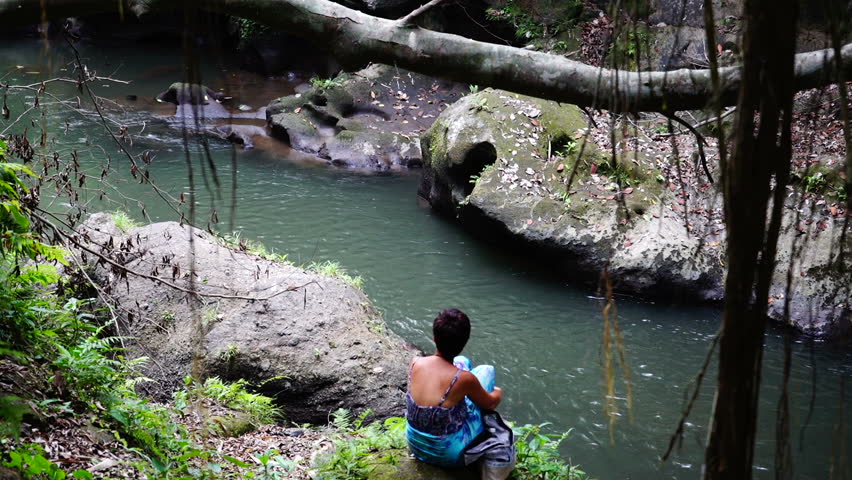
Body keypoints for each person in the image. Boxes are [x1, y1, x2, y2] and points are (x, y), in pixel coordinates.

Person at [405, 308, 504, 468]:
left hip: (414, 444)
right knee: (486, 370)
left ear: (435, 338)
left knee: (461, 361)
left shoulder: (415, 362)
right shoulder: (465, 379)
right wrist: (498, 393)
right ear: (464, 342)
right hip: (447, 455)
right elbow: (491, 403)